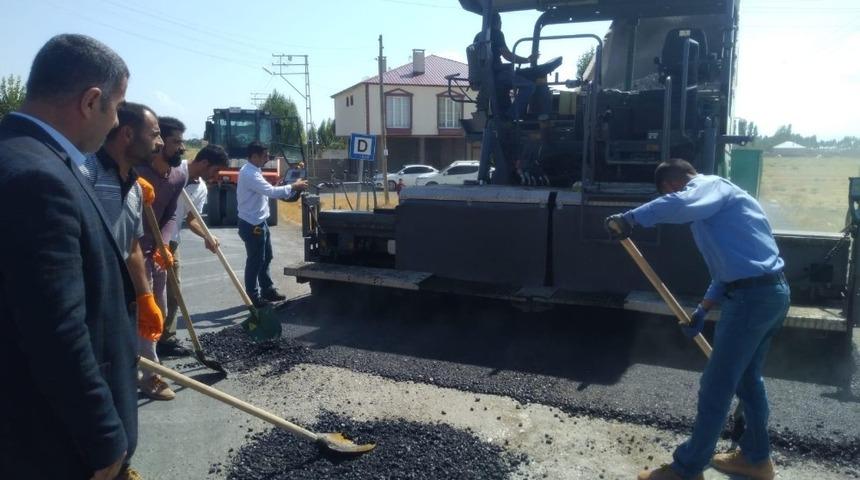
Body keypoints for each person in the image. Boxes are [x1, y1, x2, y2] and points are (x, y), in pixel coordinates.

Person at [0, 34, 141, 479]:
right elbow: (55, 328)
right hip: (55, 445)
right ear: (90, 101)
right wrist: (104, 441)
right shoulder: (38, 178)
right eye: (117, 107)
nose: (116, 121)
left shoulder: (23, 156)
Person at [605, 159, 788, 480]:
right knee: (747, 381)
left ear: (671, 185)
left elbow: (682, 203)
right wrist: (701, 311)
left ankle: (687, 469)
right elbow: (725, 273)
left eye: (668, 192)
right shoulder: (718, 211)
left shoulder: (708, 187)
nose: (672, 196)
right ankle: (757, 459)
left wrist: (631, 218)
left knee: (716, 385)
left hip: (751, 300)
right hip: (767, 294)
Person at [79, 101, 176, 401]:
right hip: (85, 300)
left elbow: (133, 246)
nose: (160, 143)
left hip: (116, 300)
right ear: (128, 135)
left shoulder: (135, 188)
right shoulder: (85, 172)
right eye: (155, 134)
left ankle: (144, 379)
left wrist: (145, 296)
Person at [136, 117, 190, 357]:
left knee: (160, 307)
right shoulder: (136, 172)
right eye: (176, 142)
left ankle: (153, 355)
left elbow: (170, 215)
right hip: (133, 253)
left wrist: (164, 244)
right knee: (141, 311)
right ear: (159, 143)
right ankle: (149, 371)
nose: (182, 148)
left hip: (156, 250)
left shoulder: (178, 176)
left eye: (183, 142)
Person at [163, 145, 230, 334]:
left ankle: (167, 338)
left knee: (173, 293)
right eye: (215, 170)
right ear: (205, 163)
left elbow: (192, 220)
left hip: (172, 241)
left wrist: (207, 235)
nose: (216, 176)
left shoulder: (201, 188)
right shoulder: (173, 170)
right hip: (151, 237)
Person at [237, 141, 308, 307]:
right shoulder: (249, 174)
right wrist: (294, 186)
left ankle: (267, 290)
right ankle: (253, 297)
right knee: (255, 261)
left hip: (259, 222)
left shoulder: (254, 170)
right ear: (254, 156)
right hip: (252, 224)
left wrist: (283, 186)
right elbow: (270, 192)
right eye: (264, 156)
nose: (267, 159)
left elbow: (266, 190)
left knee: (266, 257)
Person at [478, 12, 538, 119]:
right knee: (529, 86)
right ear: (498, 22)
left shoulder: (479, 35)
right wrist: (527, 60)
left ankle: (503, 113)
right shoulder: (497, 33)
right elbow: (508, 55)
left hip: (486, 76)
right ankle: (511, 116)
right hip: (496, 75)